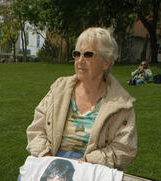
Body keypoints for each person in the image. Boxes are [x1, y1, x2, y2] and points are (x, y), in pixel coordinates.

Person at [26, 27, 137, 171]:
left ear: (106, 62)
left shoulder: (121, 103)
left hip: (92, 167)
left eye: (88, 54)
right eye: (77, 54)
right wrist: (46, 157)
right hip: (53, 156)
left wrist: (87, 161)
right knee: (24, 179)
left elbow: (124, 148)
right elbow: (36, 128)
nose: (80, 60)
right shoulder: (59, 89)